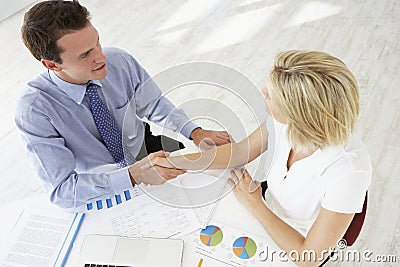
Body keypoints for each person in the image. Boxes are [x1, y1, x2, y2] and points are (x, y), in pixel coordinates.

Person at [149, 50, 372, 266]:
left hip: (294, 241)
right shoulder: (284, 123)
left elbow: (308, 258)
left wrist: (255, 203)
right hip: (265, 210)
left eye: (272, 95)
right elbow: (239, 153)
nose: (264, 92)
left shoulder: (349, 173)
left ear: (299, 114)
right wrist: (176, 161)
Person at [15, 0, 231, 209]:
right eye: (85, 55)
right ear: (52, 65)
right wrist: (133, 175)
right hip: (99, 182)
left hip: (145, 150)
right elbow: (61, 191)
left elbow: (153, 104)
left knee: (214, 187)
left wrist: (195, 132)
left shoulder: (119, 60)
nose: (101, 57)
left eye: (97, 42)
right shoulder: (34, 110)